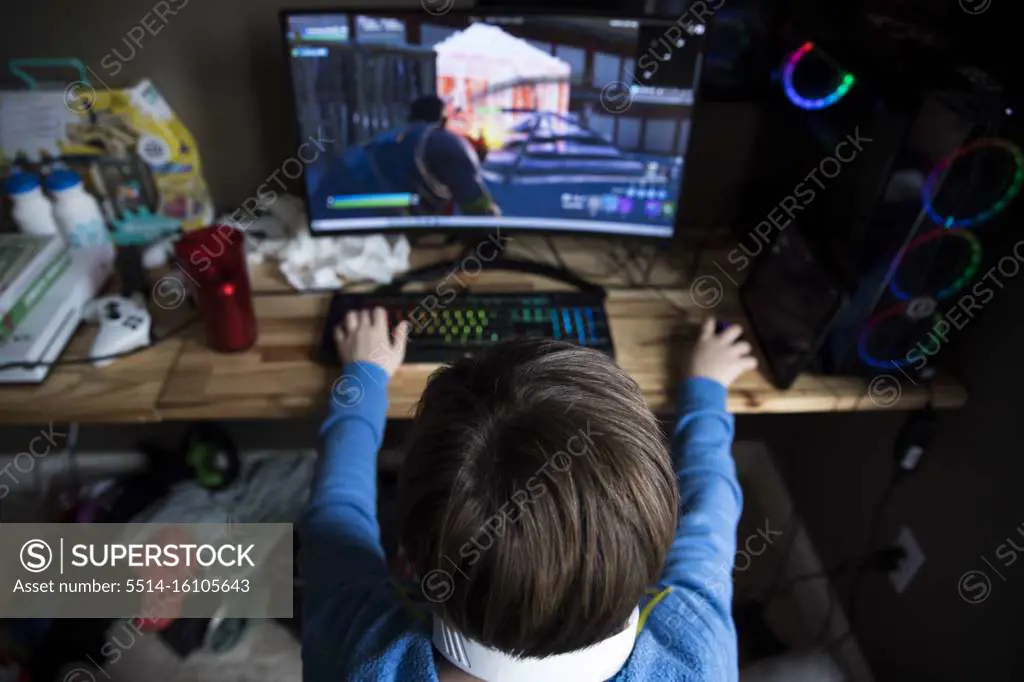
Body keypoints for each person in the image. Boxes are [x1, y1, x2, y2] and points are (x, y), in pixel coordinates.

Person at [302, 308, 758, 681]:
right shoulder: (693, 652)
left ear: (413, 558)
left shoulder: (357, 644)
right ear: (660, 529)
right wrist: (707, 387)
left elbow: (334, 512)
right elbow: (710, 509)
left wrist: (363, 377)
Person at [310, 95, 500, 219]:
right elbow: (479, 210)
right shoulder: (443, 142)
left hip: (327, 213)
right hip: (372, 228)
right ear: (442, 121)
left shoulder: (386, 138)